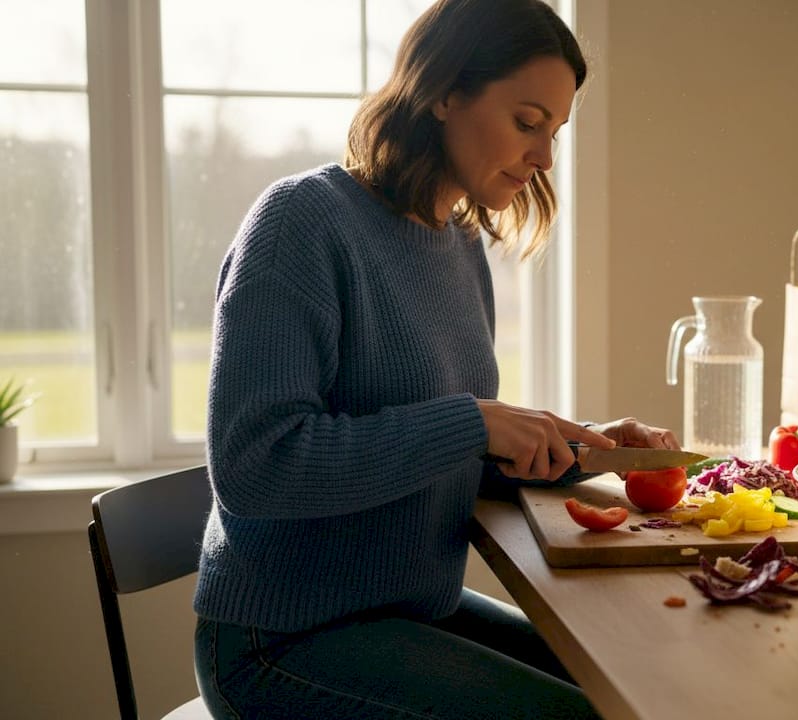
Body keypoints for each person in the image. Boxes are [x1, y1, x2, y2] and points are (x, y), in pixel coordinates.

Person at [192, 1, 678, 717]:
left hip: (407, 613)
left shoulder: (460, 245)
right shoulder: (300, 221)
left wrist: (587, 448)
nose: (545, 158)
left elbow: (447, 451)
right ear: (445, 92)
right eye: (527, 122)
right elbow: (254, 468)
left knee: (631, 688)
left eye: (554, 132)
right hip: (282, 642)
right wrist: (474, 423)